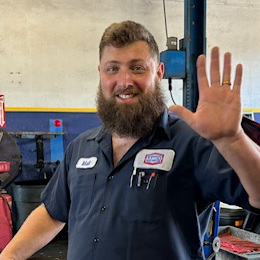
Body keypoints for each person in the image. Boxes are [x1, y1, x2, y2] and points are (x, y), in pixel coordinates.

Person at [1, 20, 260, 260]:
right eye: (113, 68)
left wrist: (234, 140)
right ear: (100, 73)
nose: (124, 81)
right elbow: (52, 214)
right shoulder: (80, 148)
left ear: (158, 73)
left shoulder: (192, 144)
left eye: (137, 68)